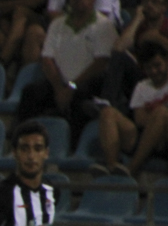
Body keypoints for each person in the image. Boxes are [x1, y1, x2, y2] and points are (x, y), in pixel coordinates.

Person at [16, 0, 117, 147]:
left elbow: (101, 63)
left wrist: (72, 87)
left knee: (81, 103)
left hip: (87, 85)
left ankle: (72, 150)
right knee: (30, 93)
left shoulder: (104, 26)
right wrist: (59, 89)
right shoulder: (57, 25)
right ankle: (22, 140)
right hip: (61, 84)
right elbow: (47, 59)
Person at [94, 42, 168, 178]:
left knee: (161, 114)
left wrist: (155, 116)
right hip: (143, 136)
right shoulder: (142, 86)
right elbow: (139, 119)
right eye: (148, 68)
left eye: (157, 65)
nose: (154, 71)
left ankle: (132, 169)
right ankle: (112, 167)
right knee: (107, 112)